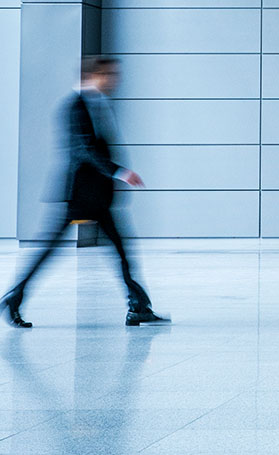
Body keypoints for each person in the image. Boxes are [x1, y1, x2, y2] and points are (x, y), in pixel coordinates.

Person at [0, 56, 169, 328]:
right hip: (79, 196)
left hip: (97, 197)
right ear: (94, 75)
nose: (114, 80)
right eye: (109, 74)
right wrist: (119, 172)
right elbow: (84, 150)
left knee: (121, 250)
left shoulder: (97, 103)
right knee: (51, 250)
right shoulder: (74, 107)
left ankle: (138, 306)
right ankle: (14, 296)